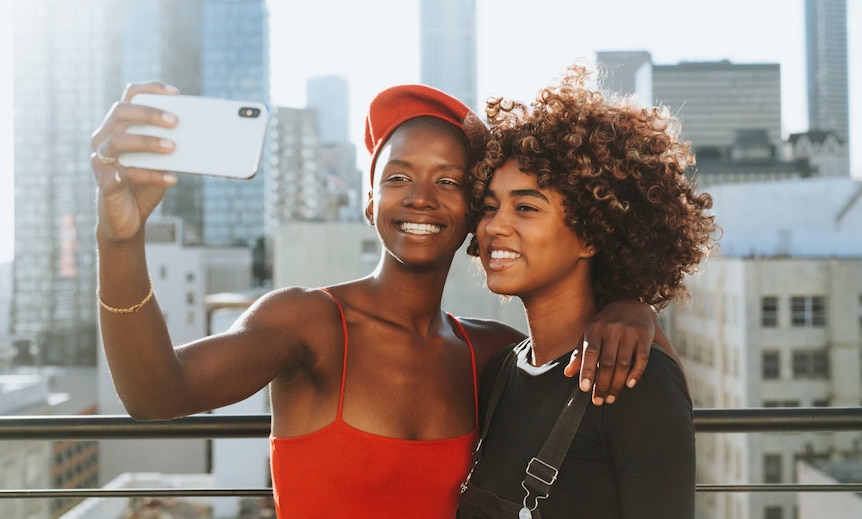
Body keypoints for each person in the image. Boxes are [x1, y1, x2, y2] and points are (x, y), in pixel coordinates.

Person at [90, 81, 669, 519]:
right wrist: (119, 240)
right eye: (397, 178)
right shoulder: (307, 323)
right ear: (369, 202)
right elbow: (154, 392)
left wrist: (630, 306)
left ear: (473, 211)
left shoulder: (494, 355)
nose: (420, 198)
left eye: (447, 181)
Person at [457, 63, 718, 519]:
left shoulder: (635, 381)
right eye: (489, 206)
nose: (495, 226)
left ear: (593, 234)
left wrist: (640, 312)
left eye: (525, 207)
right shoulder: (500, 372)